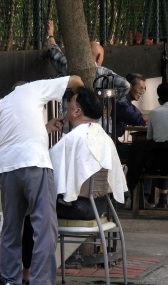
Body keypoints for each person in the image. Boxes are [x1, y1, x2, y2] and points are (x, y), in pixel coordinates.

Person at [0, 75, 84, 285]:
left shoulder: (2, 103)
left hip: (6, 167)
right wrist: (80, 95)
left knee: (11, 226)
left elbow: (20, 133)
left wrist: (45, 127)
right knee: (44, 223)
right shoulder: (33, 89)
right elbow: (75, 78)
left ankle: (12, 283)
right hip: (34, 163)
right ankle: (40, 284)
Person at [49, 87, 127, 218]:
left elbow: (47, 166)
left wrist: (45, 131)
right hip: (100, 206)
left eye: (70, 102)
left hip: (78, 208)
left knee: (31, 206)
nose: (67, 105)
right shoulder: (104, 137)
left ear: (76, 111)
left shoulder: (75, 137)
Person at [46, 19, 130, 102]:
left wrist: (50, 35)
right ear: (99, 57)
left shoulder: (71, 66)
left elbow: (56, 55)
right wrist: (101, 95)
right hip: (97, 114)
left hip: (71, 113)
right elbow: (125, 85)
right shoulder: (103, 73)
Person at [115, 73, 152, 208]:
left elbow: (138, 115)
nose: (142, 92)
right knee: (143, 154)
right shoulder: (121, 102)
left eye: (144, 89)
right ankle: (139, 197)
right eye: (140, 88)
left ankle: (137, 196)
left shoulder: (125, 101)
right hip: (111, 146)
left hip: (115, 143)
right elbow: (138, 119)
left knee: (141, 151)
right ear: (130, 86)